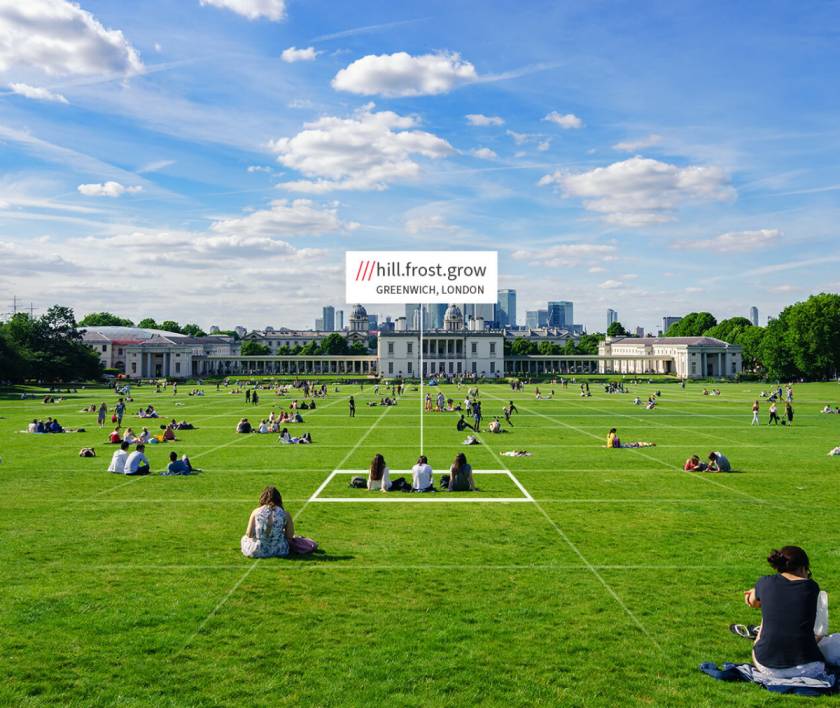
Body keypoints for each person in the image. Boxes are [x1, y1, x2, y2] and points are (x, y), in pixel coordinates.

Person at [743, 546, 826, 678]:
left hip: (766, 666)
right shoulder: (811, 587)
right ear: (803, 568)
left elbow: (752, 602)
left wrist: (757, 592)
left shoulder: (764, 582)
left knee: (767, 613)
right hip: (809, 668)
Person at [241, 486, 293, 558]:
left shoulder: (256, 512)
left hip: (258, 550)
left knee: (244, 538)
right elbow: (289, 536)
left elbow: (249, 534)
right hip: (279, 550)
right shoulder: (285, 514)